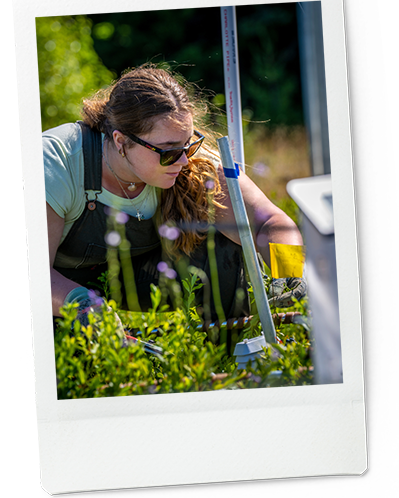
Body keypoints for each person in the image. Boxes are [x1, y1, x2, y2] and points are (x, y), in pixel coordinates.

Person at [44, 64, 304, 343]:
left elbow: (267, 220)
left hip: (137, 275)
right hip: (58, 290)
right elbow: (26, 274)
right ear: (120, 141)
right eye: (168, 152)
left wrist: (288, 273)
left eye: (188, 144)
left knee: (224, 242)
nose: (183, 161)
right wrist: (84, 305)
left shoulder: (190, 159)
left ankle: (232, 359)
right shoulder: (57, 162)